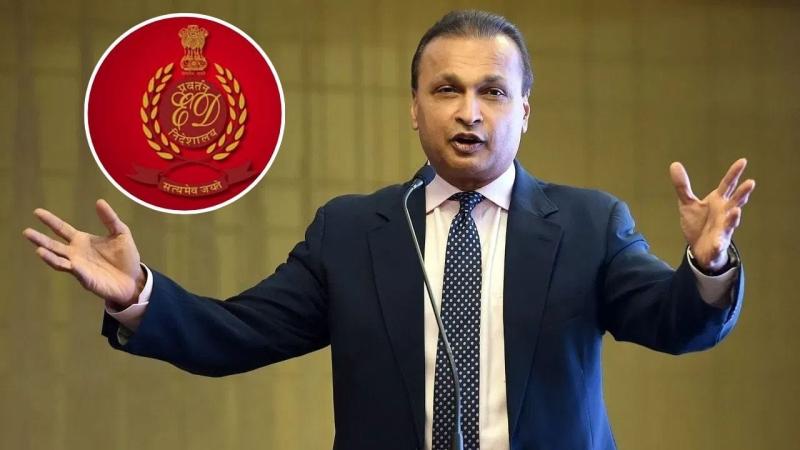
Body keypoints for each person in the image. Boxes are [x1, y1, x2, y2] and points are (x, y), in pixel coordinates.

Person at [23, 10, 755, 450]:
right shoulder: (350, 232)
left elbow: (674, 322)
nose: (470, 111)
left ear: (525, 111)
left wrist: (707, 264)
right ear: (414, 108)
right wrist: (138, 293)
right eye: (447, 89)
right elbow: (236, 335)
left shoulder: (592, 223)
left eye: (493, 91)